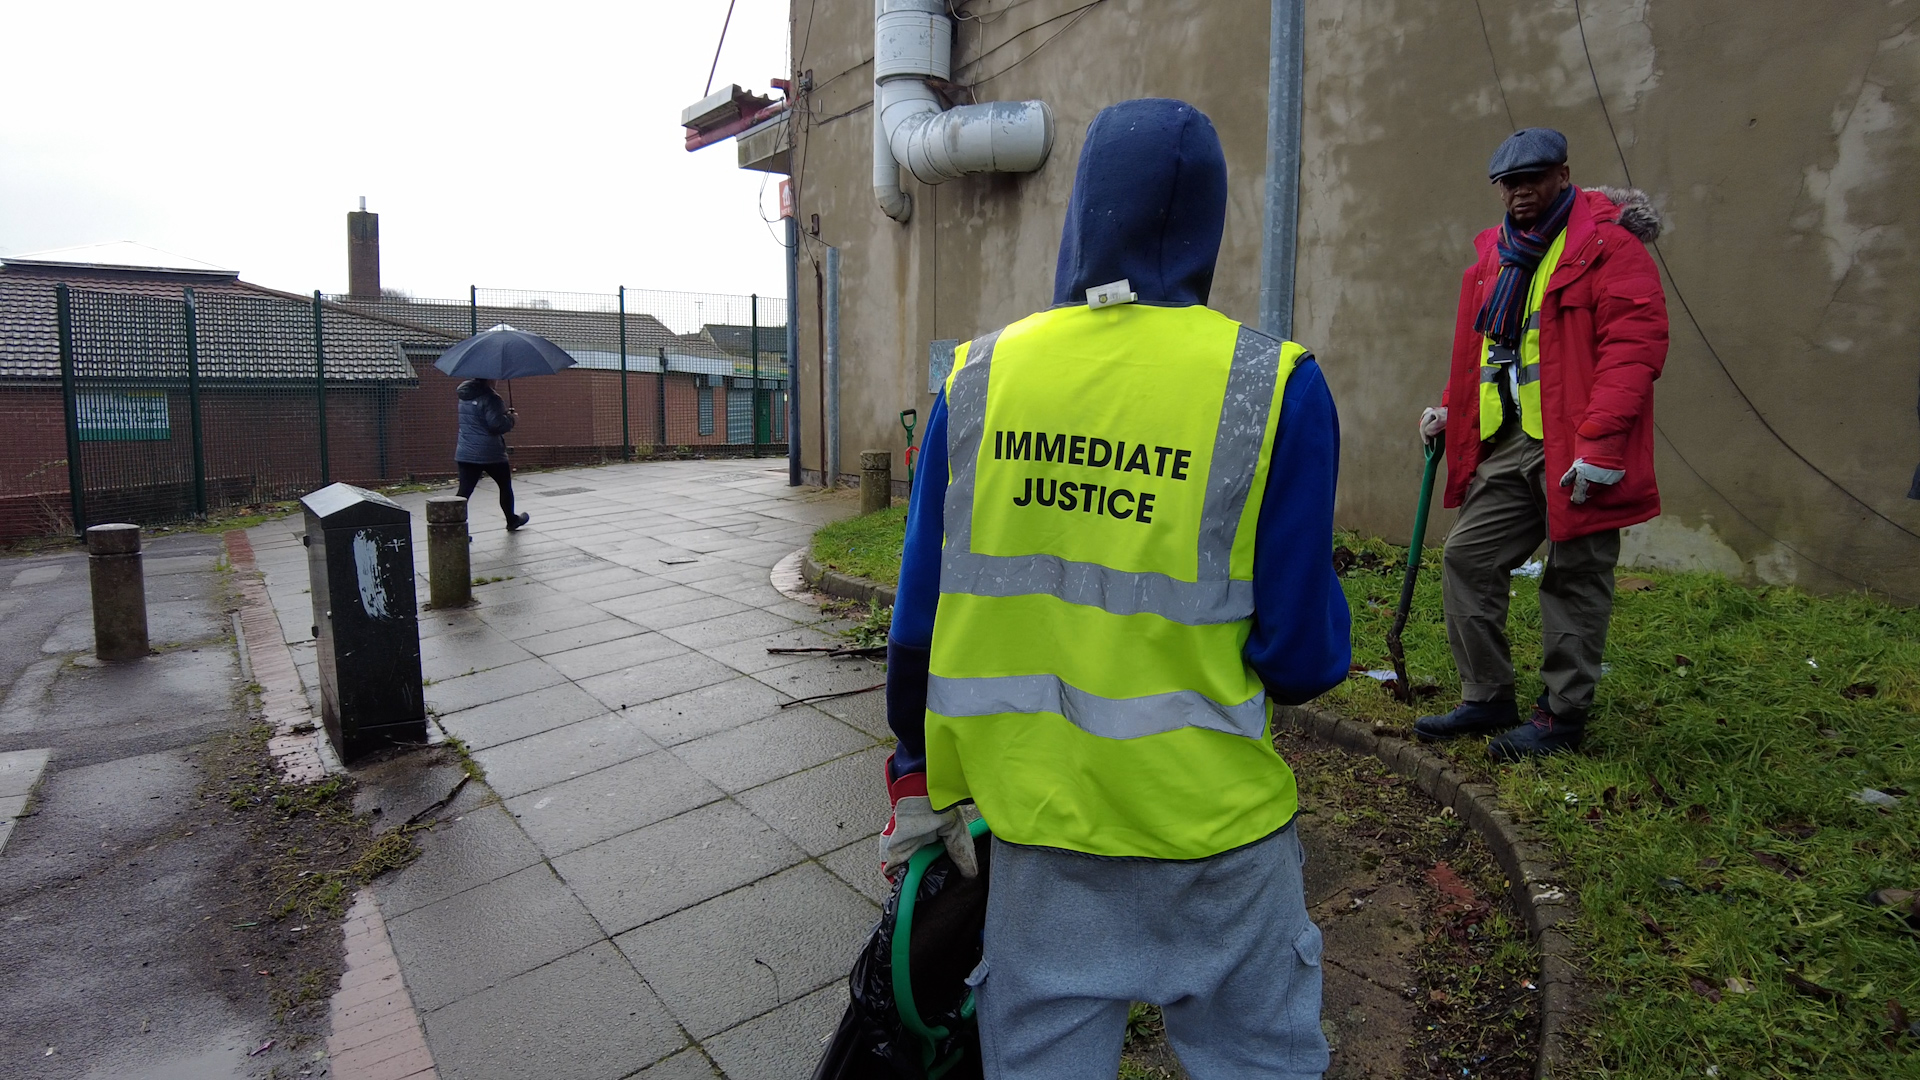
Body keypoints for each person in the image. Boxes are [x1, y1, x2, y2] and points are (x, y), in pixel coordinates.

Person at [878, 99, 1351, 1080]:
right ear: (1208, 224)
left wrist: (912, 775)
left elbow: (917, 628)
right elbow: (1303, 661)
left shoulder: (978, 381)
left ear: (1084, 208)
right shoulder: (1272, 388)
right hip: (1217, 847)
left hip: (1042, 840)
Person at [1414, 128, 1668, 761]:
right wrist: (1451, 410)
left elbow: (1633, 350)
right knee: (1468, 558)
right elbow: (1481, 351)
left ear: (1563, 174)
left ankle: (1562, 716)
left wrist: (1602, 444)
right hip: (1508, 441)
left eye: (1532, 179)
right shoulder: (1496, 256)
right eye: (1508, 183)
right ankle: (1487, 696)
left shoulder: (1609, 246)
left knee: (1575, 576)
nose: (1519, 192)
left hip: (1576, 446)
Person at [454, 378, 531, 531]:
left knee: (464, 492)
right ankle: (511, 520)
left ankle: (454, 527)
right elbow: (496, 425)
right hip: (490, 453)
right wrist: (511, 418)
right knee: (504, 486)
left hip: (466, 451)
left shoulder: (464, 395)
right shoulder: (492, 398)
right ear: (489, 379)